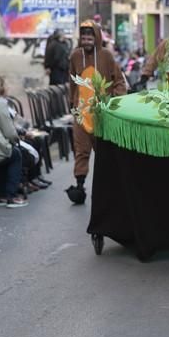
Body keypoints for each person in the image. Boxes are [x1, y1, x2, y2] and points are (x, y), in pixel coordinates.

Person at [66, 20, 127, 204]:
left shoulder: (106, 56)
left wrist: (114, 101)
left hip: (102, 116)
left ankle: (107, 188)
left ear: (96, 38)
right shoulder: (75, 56)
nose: (86, 40)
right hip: (81, 114)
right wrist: (72, 104)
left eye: (89, 37)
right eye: (83, 37)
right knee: (81, 152)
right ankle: (79, 186)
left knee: (104, 154)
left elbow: (119, 81)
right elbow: (72, 84)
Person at [0, 73, 27, 207]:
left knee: (4, 153)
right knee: (15, 154)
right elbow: (9, 132)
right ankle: (10, 196)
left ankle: (1, 195)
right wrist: (15, 140)